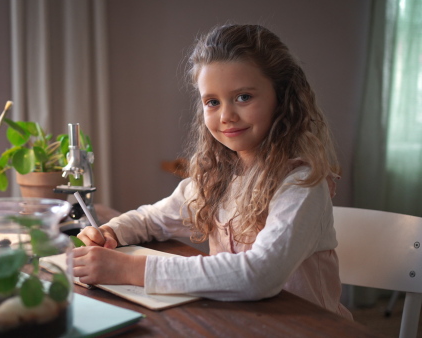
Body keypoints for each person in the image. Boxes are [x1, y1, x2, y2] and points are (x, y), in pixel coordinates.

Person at [73, 24, 352, 319]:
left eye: (244, 97)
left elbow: (260, 275)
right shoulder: (217, 176)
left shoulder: (300, 183)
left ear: (282, 97)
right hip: (237, 322)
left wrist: (129, 269)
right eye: (213, 102)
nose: (227, 116)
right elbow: (153, 219)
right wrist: (110, 231)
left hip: (306, 328)